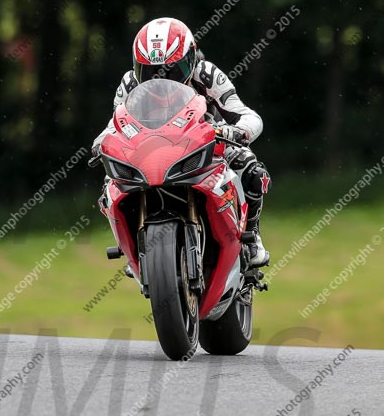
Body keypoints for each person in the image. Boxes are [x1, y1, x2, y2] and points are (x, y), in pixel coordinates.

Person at [91, 17, 271, 267]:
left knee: (250, 168)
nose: (160, 79)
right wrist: (101, 143)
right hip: (150, 148)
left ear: (191, 59)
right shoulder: (129, 83)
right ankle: (132, 245)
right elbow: (116, 123)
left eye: (173, 70)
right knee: (110, 185)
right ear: (136, 66)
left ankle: (252, 237)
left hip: (208, 140)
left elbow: (247, 115)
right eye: (150, 72)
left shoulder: (207, 74)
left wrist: (235, 132)